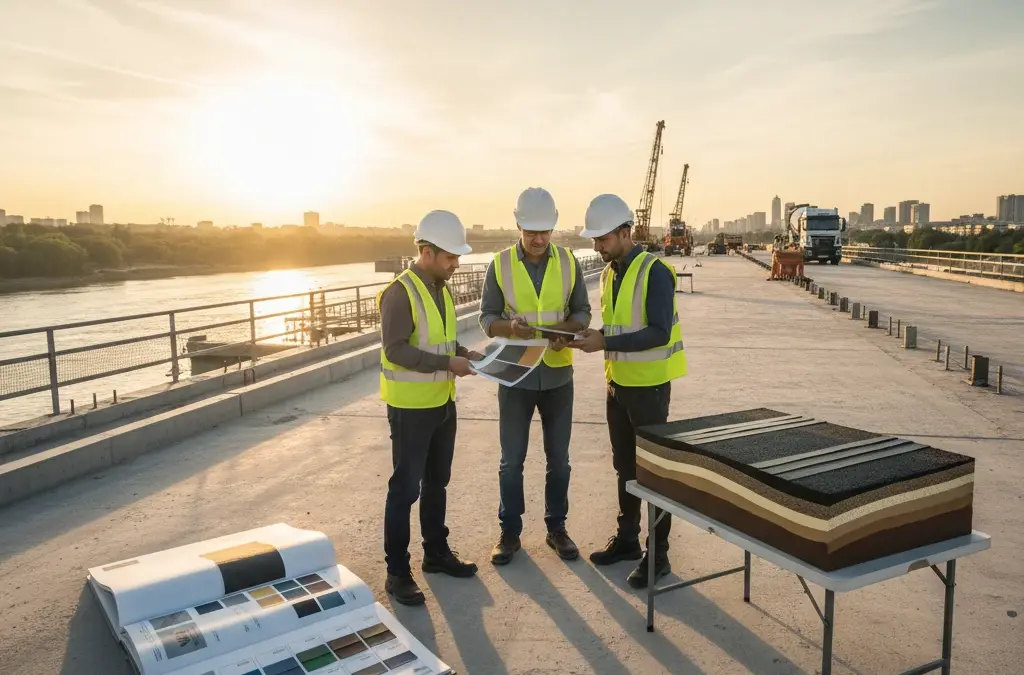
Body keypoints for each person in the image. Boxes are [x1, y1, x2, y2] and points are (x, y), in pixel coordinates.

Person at [570, 193, 687, 588]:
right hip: (617, 385)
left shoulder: (654, 271)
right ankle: (627, 540)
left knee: (653, 473)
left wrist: (605, 342)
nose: (596, 246)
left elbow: (658, 332)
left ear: (626, 232)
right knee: (624, 468)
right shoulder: (609, 272)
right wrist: (592, 336)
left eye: (602, 238)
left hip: (649, 389)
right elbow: (618, 326)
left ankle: (659, 556)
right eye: (594, 239)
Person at [479, 187, 591, 565]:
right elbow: (486, 319)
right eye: (532, 232)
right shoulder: (499, 264)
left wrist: (567, 329)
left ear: (554, 227)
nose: (539, 239)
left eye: (545, 231)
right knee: (512, 460)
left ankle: (556, 528)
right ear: (518, 225)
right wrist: (509, 327)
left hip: (558, 376)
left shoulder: (568, 261)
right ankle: (509, 532)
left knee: (559, 460)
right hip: (516, 375)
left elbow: (583, 312)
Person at [377, 209, 484, 606]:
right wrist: (446, 363)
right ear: (426, 251)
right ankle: (396, 572)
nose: (456, 264)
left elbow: (439, 340)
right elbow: (397, 349)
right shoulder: (399, 293)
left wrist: (463, 352)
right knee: (404, 490)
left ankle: (436, 553)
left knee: (437, 481)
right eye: (450, 257)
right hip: (410, 409)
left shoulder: (441, 289)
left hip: (442, 402)